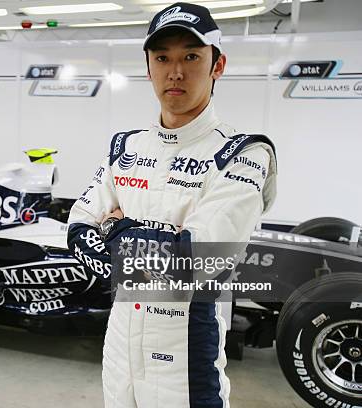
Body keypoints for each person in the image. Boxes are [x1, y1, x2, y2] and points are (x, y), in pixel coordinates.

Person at [67, 2, 277, 407]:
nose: (175, 71)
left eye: (191, 56)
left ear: (218, 65)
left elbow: (192, 262)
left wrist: (115, 230)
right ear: (148, 68)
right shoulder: (125, 147)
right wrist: (148, 245)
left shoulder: (244, 154)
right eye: (162, 57)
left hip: (186, 357)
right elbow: (77, 232)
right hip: (118, 349)